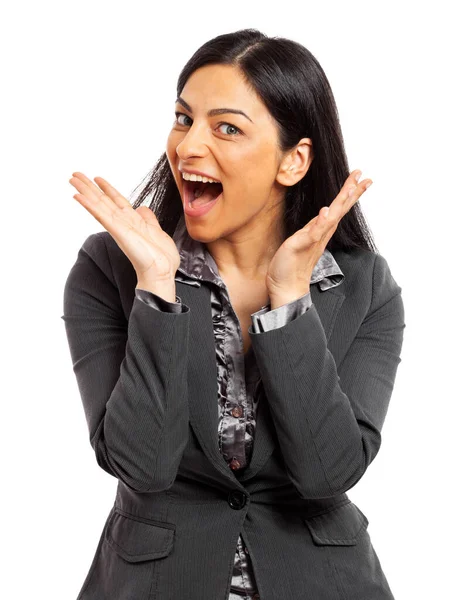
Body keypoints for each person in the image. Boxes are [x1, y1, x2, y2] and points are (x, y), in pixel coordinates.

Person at [62, 28, 405, 600]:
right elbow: (142, 467)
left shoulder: (365, 285)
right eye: (183, 118)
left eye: (226, 128)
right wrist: (157, 291)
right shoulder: (111, 268)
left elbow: (329, 473)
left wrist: (292, 298)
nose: (188, 146)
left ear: (293, 161)